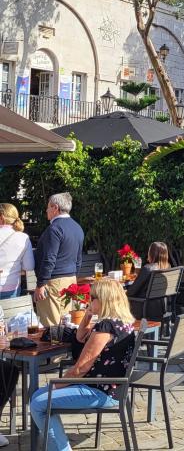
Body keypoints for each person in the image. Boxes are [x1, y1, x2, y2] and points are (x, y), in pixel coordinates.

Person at [30, 278, 136, 451]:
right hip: (111, 388)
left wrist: (57, 384)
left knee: (38, 403)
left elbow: (81, 368)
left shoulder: (106, 326)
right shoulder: (124, 322)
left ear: (103, 300)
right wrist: (87, 315)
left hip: (98, 391)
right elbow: (80, 337)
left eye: (92, 297)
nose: (89, 300)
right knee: (37, 397)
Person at [34, 193, 84, 327]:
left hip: (53, 281)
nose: (46, 210)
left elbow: (49, 258)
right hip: (70, 279)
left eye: (48, 207)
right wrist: (74, 277)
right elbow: (78, 259)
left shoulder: (54, 229)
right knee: (68, 323)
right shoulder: (77, 227)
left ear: (55, 208)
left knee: (52, 326)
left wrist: (41, 283)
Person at [126, 242, 171, 321]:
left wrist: (123, 292)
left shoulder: (148, 269)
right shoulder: (168, 267)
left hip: (144, 307)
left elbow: (131, 292)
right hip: (161, 307)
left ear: (152, 253)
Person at [0, 203, 35, 299]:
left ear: (1, 217)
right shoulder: (23, 237)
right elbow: (29, 266)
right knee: (11, 314)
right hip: (12, 287)